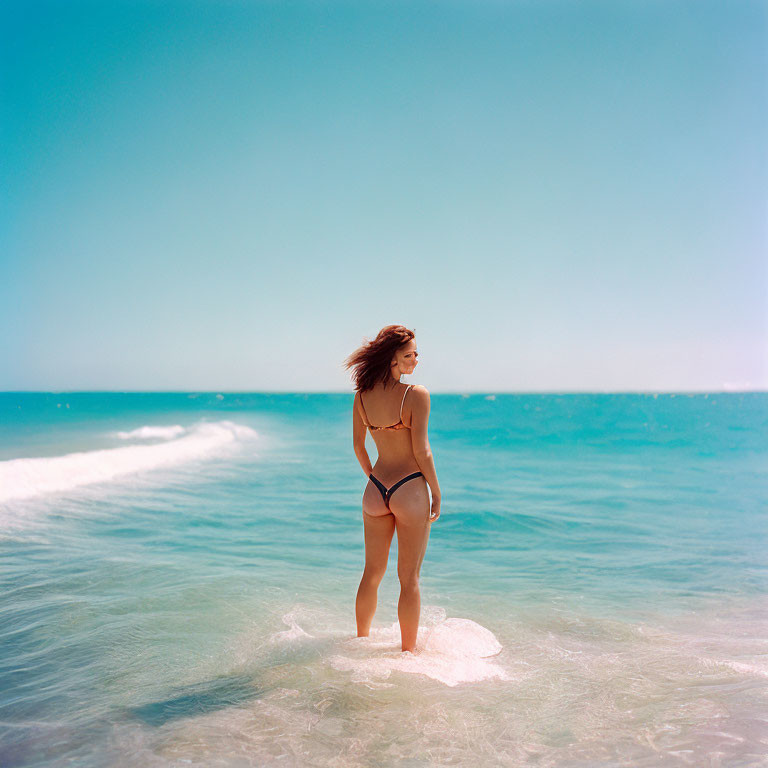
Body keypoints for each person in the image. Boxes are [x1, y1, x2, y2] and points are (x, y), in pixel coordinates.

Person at [344, 325, 441, 653]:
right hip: (409, 487)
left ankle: (359, 643)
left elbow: (359, 445)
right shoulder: (415, 395)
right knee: (409, 578)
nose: (416, 359)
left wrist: (373, 475)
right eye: (409, 354)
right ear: (392, 360)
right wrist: (436, 492)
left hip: (376, 489)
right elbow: (422, 451)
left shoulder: (361, 396)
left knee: (371, 571)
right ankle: (408, 655)